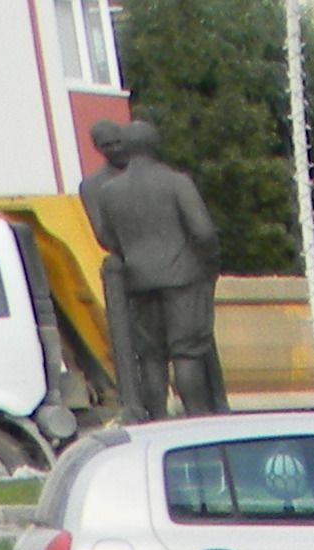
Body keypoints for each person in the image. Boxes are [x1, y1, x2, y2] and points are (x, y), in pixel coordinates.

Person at [76, 120, 223, 421]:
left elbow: (107, 238)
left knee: (152, 356)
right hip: (183, 277)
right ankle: (198, 417)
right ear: (156, 145)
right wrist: (209, 262)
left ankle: (157, 418)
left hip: (138, 281)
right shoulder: (177, 182)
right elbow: (204, 231)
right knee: (187, 352)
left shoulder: (109, 191)